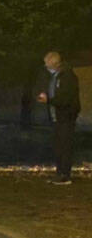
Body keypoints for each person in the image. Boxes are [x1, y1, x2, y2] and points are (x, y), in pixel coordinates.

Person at [36, 51, 81, 185]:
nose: (45, 67)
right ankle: (60, 173)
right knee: (59, 146)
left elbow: (65, 98)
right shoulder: (56, 77)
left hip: (65, 116)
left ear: (54, 64)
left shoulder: (67, 77)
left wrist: (48, 99)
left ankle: (64, 175)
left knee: (65, 146)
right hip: (57, 116)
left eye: (47, 64)